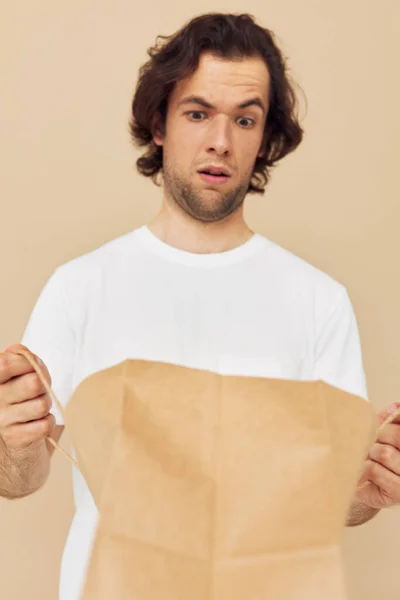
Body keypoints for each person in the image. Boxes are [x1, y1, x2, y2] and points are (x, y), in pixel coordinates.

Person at [1, 12, 399, 600]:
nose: (220, 140)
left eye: (245, 119)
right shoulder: (80, 286)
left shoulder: (318, 300)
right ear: (159, 123)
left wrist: (368, 490)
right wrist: (13, 441)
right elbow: (22, 479)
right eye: (197, 113)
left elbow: (330, 496)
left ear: (265, 137)